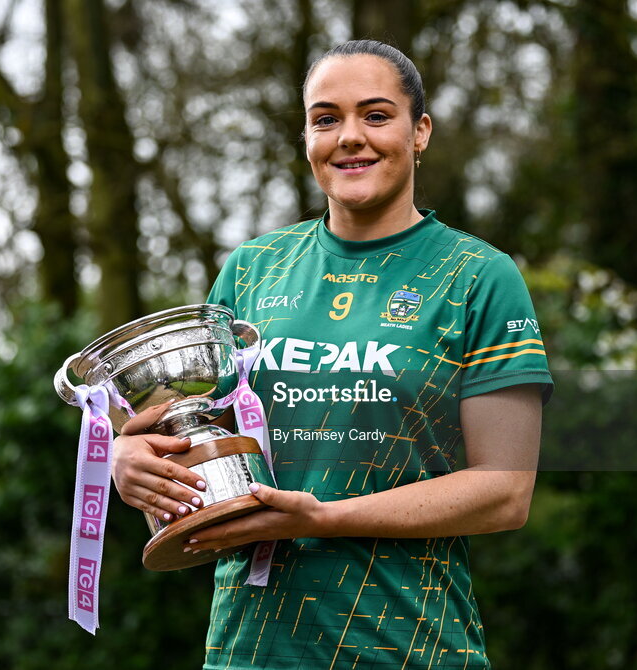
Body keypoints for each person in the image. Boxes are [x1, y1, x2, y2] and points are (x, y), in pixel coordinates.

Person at [112, 39, 553, 669]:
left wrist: (320, 517)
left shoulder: (477, 275)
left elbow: (504, 492)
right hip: (248, 650)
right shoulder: (251, 271)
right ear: (307, 137)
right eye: (326, 119)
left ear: (420, 131)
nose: (350, 137)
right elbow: (206, 442)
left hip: (409, 647)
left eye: (376, 115)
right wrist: (135, 457)